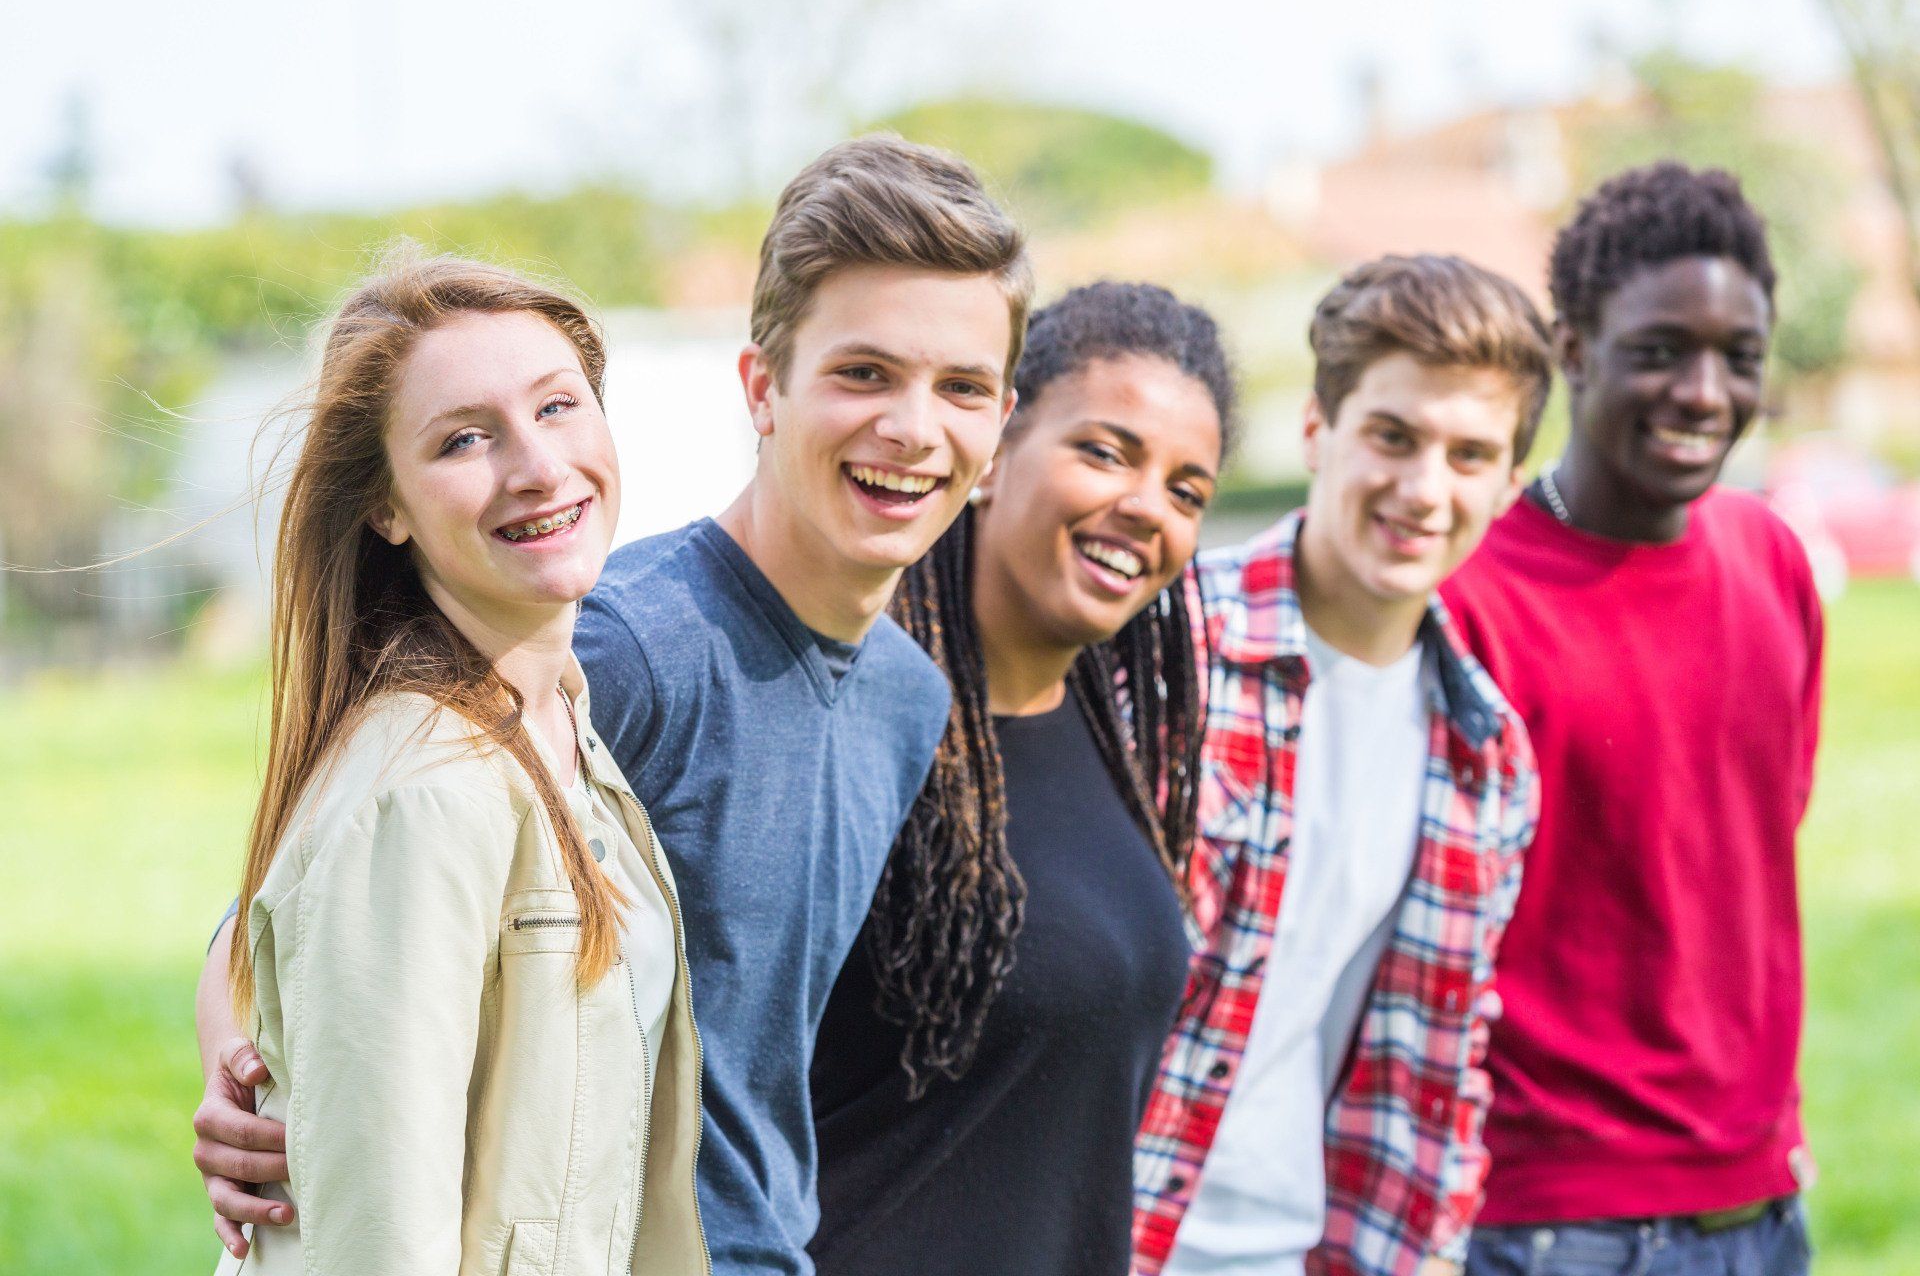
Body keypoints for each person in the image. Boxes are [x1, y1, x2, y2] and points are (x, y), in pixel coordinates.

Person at [190, 134, 1032, 1276]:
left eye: (962, 387)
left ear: (997, 431)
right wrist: (237, 1062)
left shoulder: (907, 696)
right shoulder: (622, 640)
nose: (913, 426)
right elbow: (314, 899)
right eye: (864, 373)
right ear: (761, 388)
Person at [206, 250, 703, 1274]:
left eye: (558, 406)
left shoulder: (561, 723)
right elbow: (377, 1246)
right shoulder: (425, 789)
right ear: (385, 507)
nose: (536, 465)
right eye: (465, 439)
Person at [1133, 255, 1547, 1276]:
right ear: (1319, 430)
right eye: (1393, 437)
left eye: (1469, 454)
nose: (1423, 489)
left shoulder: (1484, 751)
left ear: (1508, 482)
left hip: (1303, 1247)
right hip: (1113, 1237)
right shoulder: (1165, 650)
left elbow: (1443, 1057)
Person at [809, 282, 1233, 1275]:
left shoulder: (1115, 738)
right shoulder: (849, 731)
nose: (1146, 506)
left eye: (1187, 489)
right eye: (1105, 450)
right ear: (994, 452)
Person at [1443, 163, 1820, 1276]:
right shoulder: (1469, 599)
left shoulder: (1775, 560)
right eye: (1660, 350)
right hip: (1542, 1222)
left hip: (1760, 1204)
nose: (1704, 391)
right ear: (1572, 350)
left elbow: (1753, 843)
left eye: (1738, 357)